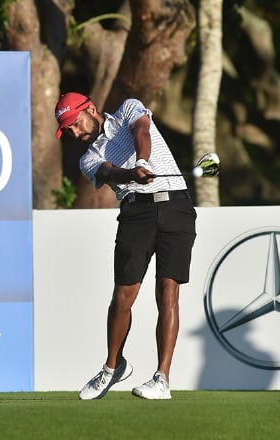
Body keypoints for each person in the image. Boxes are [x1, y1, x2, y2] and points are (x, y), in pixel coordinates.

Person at [54, 92, 197, 400]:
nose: (75, 133)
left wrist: (142, 161)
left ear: (91, 109)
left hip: (176, 207)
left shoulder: (128, 109)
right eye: (68, 131)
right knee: (122, 297)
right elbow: (108, 171)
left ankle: (162, 379)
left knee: (168, 290)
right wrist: (132, 174)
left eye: (76, 124)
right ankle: (112, 366)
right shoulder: (87, 158)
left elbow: (142, 130)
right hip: (137, 213)